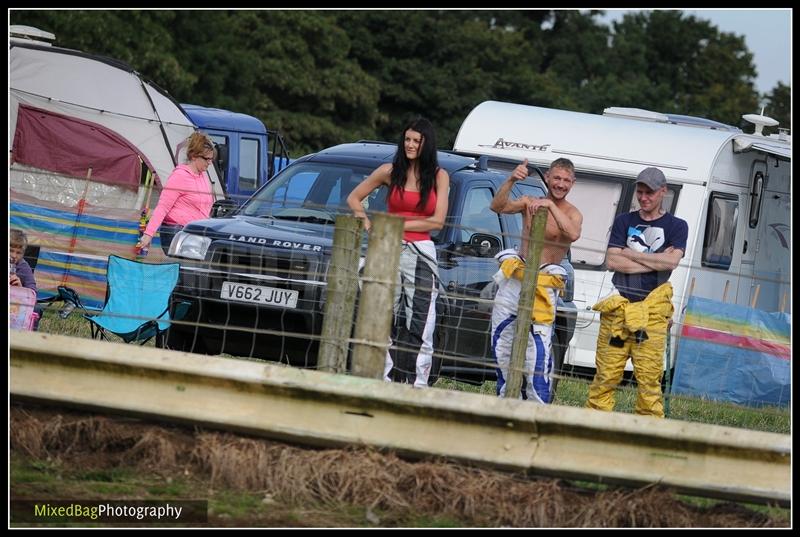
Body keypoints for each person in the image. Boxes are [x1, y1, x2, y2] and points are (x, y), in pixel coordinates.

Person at [346, 117, 450, 388]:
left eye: (417, 140)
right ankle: (378, 378)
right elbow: (354, 198)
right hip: (387, 248)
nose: (411, 145)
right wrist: (367, 223)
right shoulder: (389, 171)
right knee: (381, 313)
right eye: (407, 139)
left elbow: (437, 222)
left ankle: (417, 384)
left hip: (421, 252)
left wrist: (394, 224)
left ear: (427, 144)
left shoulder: (439, 176)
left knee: (421, 319)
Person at [586, 167, 688, 418]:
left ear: (663, 192)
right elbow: (612, 261)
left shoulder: (677, 226)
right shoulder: (624, 220)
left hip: (652, 312)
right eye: (640, 192)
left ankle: (648, 430)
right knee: (606, 374)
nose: (643, 198)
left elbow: (671, 263)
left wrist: (630, 253)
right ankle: (594, 424)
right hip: (619, 307)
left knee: (649, 379)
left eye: (649, 193)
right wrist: (655, 259)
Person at [489, 158, 582, 403]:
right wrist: (511, 180)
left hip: (544, 284)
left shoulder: (572, 213)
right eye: (556, 178)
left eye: (566, 180)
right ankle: (505, 401)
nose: (560, 184)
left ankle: (537, 408)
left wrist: (550, 206)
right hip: (517, 277)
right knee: (502, 343)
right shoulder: (529, 202)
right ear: (548, 177)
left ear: (572, 183)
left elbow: (573, 233)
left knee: (537, 353)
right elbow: (497, 206)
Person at [136, 132, 216, 254]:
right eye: (207, 159)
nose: (210, 162)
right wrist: (148, 234)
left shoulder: (203, 176)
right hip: (177, 233)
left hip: (197, 234)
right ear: (194, 156)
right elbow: (162, 207)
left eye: (211, 159)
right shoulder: (179, 176)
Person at [10, 228, 40, 329]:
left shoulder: (23, 267)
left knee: (36, 309)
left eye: (18, 253)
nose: (14, 256)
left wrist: (21, 289)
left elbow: (33, 293)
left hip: (14, 308)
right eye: (11, 251)